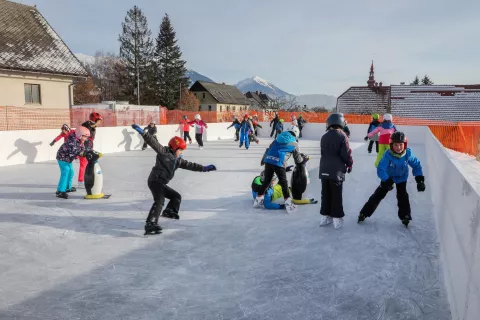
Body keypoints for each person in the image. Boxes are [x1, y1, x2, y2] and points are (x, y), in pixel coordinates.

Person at [131, 124, 217, 235]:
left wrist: (204, 168)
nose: (181, 152)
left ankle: (170, 211)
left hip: (161, 182)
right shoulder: (164, 152)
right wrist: (143, 133)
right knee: (159, 200)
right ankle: (150, 223)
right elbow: (153, 143)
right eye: (180, 150)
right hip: (155, 180)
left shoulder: (178, 160)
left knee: (176, 196)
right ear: (175, 148)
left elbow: (191, 165)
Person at [358, 132, 425, 227]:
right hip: (388, 177)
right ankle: (364, 213)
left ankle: (405, 215)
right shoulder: (387, 155)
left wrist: (419, 180)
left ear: (405, 145)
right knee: (379, 194)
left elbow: (417, 165)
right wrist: (387, 180)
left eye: (401, 144)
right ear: (391, 145)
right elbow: (380, 169)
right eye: (396, 145)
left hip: (402, 177)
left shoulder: (408, 154)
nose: (398, 147)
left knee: (402, 196)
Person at [253, 125, 305, 213]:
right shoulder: (295, 143)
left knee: (267, 181)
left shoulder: (278, 138)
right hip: (279, 162)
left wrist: (264, 159)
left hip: (269, 160)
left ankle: (258, 200)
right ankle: (289, 204)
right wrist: (303, 160)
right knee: (284, 183)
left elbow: (269, 148)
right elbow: (297, 159)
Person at [319, 113, 353, 229]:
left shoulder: (324, 136)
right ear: (341, 123)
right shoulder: (342, 136)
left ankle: (324, 217)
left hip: (323, 169)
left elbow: (323, 153)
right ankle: (337, 219)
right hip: (336, 171)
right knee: (336, 195)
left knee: (325, 194)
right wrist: (349, 164)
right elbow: (346, 154)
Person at [55, 126, 92, 199]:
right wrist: (84, 154)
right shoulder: (73, 141)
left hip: (68, 159)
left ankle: (68, 187)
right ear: (79, 135)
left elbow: (82, 149)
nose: (86, 138)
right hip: (62, 158)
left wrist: (88, 151)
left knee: (71, 172)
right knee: (66, 172)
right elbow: (75, 151)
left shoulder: (80, 140)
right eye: (85, 136)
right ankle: (60, 191)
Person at [78, 112, 103, 188]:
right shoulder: (88, 123)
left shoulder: (92, 125)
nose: (99, 122)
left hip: (89, 146)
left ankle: (90, 178)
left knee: (91, 163)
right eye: (98, 120)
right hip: (83, 146)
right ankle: (81, 181)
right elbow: (91, 126)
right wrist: (96, 123)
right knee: (83, 164)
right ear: (94, 119)